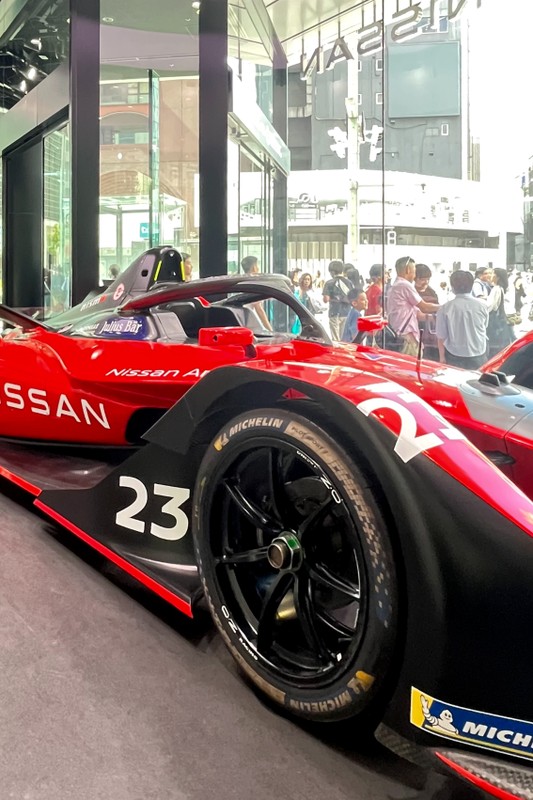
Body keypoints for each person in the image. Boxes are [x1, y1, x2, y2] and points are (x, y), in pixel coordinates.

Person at [386, 256, 440, 357]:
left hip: (402, 335)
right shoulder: (404, 285)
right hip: (407, 336)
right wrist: (446, 307)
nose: (414, 275)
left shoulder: (395, 286)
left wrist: (435, 317)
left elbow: (417, 314)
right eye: (414, 271)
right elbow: (424, 307)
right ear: (408, 270)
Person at [435, 270, 489, 369]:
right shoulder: (482, 306)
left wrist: (442, 358)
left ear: (452, 287)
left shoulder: (445, 308)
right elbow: (484, 326)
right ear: (471, 286)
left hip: (454, 355)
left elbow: (441, 336)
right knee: (478, 379)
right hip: (479, 353)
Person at [486, 268, 515, 357]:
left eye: (493, 274)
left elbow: (490, 306)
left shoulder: (496, 289)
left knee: (493, 346)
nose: (491, 276)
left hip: (494, 320)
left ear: (498, 277)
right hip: (501, 318)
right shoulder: (501, 288)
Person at [322, 260, 353, 340]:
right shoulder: (349, 282)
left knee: (335, 338)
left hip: (334, 312)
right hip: (346, 312)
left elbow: (326, 299)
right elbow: (352, 298)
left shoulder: (329, 283)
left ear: (332, 272)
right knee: (344, 338)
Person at [241, 255, 272, 331]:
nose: (258, 268)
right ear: (254, 267)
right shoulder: (253, 283)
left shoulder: (243, 281)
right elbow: (259, 309)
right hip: (252, 324)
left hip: (244, 322)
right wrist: (270, 330)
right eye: (257, 265)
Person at [415, 263, 439, 361]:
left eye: (428, 279)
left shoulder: (431, 292)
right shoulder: (411, 292)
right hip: (417, 333)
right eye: (422, 279)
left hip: (432, 335)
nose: (426, 282)